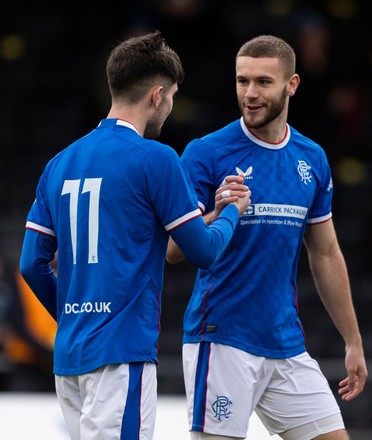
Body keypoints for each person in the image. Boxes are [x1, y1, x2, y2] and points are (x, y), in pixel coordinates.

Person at [19, 30, 250, 440]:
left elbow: (31, 264)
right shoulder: (157, 158)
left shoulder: (60, 162)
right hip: (121, 357)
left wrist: (77, 320)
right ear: (158, 94)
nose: (171, 105)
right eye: (174, 96)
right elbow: (205, 252)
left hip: (71, 358)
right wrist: (232, 211)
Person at [166, 35, 368, 440]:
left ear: (291, 85)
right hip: (221, 340)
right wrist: (219, 213)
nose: (250, 94)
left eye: (263, 82)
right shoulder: (206, 152)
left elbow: (326, 253)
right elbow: (173, 250)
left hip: (286, 344)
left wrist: (352, 341)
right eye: (242, 81)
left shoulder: (311, 158)